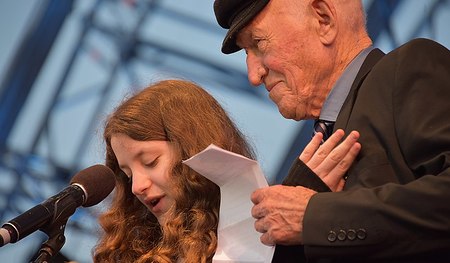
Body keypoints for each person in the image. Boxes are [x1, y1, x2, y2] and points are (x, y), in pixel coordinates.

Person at [213, 0, 450, 262]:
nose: (253, 75)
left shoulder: (409, 68)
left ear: (323, 19)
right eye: (246, 52)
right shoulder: (316, 154)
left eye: (258, 43)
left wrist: (313, 217)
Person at [92, 79, 360, 262]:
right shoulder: (135, 253)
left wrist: (305, 214)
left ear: (191, 149)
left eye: (150, 161)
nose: (137, 186)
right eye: (127, 177)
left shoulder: (278, 235)